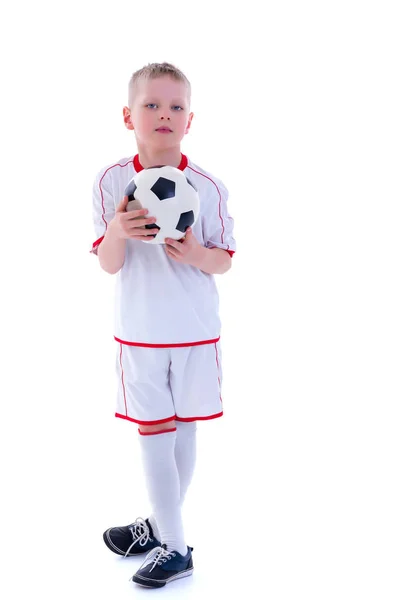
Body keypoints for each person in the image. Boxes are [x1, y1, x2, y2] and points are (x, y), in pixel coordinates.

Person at [91, 62, 236, 588]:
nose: (164, 115)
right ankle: (174, 545)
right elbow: (108, 263)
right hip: (140, 331)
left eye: (175, 107)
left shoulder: (207, 186)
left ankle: (159, 528)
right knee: (152, 433)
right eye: (152, 104)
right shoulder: (111, 181)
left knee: (183, 429)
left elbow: (224, 260)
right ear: (129, 115)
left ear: (189, 120)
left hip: (195, 329)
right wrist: (117, 229)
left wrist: (196, 252)